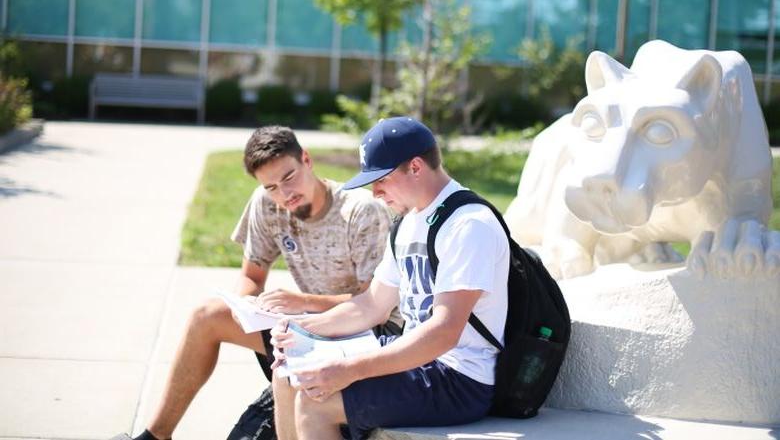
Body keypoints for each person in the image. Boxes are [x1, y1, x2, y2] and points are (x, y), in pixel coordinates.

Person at [111, 125, 392, 440]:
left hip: (362, 337)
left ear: (307, 160)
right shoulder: (266, 203)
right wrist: (248, 306)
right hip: (302, 330)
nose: (284, 194)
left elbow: (376, 305)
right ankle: (156, 435)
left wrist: (304, 303)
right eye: (271, 186)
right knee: (207, 315)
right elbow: (251, 276)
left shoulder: (362, 210)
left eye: (289, 177)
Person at [270, 116, 510, 440]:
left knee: (315, 404)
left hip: (458, 378)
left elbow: (444, 333)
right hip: (417, 360)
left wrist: (349, 370)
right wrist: (301, 329)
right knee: (288, 374)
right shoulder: (407, 223)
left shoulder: (468, 225)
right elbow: (371, 306)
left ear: (415, 167)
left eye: (381, 179)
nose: (375, 192)